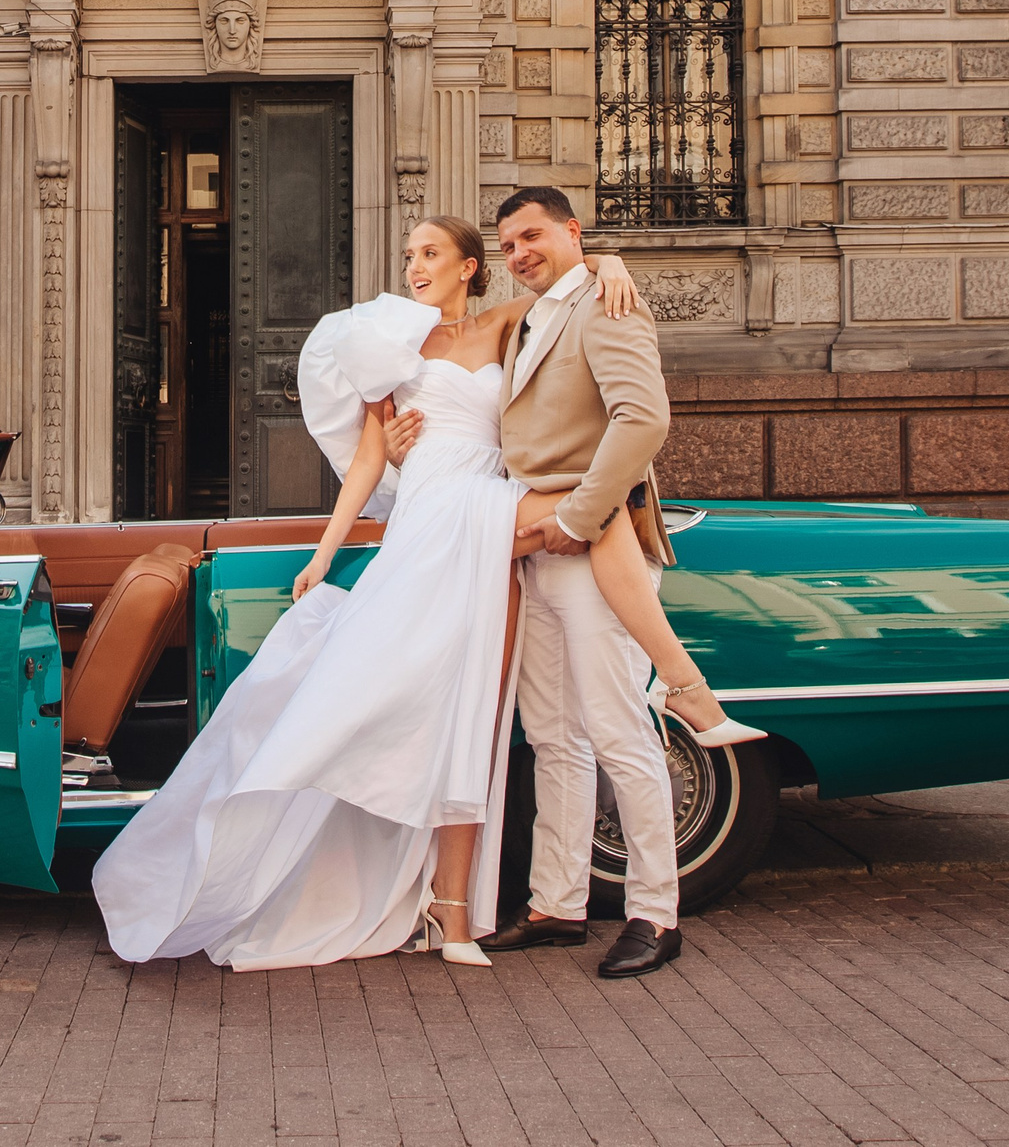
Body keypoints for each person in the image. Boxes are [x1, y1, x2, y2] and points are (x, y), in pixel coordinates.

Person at [91, 216, 647, 969]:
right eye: (410, 255)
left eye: (430, 254)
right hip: (428, 524)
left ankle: (451, 916)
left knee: (471, 717)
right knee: (370, 704)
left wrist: (611, 261)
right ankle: (272, 835)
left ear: (470, 267)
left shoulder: (511, 322)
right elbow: (366, 461)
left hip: (487, 521)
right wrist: (324, 554)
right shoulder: (392, 349)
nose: (414, 267)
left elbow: (569, 292)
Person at [399, 183, 753, 980]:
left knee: (621, 731)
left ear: (571, 231)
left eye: (534, 237)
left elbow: (643, 420)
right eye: (510, 244)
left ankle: (655, 914)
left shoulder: (608, 304)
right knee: (553, 737)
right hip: (528, 553)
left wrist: (580, 518)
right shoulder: (529, 317)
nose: (521, 253)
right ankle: (556, 905)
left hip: (589, 548)